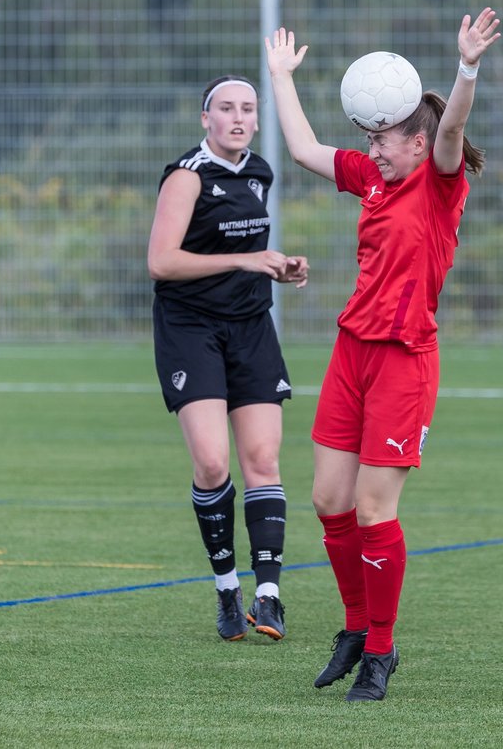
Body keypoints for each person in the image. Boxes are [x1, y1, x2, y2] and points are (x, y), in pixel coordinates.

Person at [264, 8, 501, 701]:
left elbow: (454, 126)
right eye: (368, 140)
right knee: (328, 499)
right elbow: (306, 149)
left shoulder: (439, 182)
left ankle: (382, 650)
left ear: (418, 143)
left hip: (404, 358)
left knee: (374, 508)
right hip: (352, 352)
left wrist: (466, 67)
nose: (374, 150)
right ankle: (355, 628)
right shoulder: (371, 179)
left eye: (385, 140)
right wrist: (281, 77)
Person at [147, 74, 309, 642]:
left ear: (257, 120)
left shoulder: (260, 172)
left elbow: (251, 253)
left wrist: (281, 268)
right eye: (226, 109)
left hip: (250, 328)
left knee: (263, 458)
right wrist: (244, 261)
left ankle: (269, 597)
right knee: (214, 463)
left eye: (248, 108)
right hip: (190, 329)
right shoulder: (187, 177)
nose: (238, 117)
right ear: (205, 120)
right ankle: (225, 590)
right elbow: (162, 263)